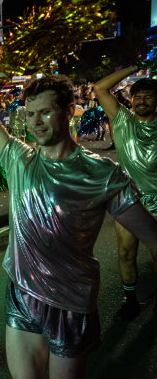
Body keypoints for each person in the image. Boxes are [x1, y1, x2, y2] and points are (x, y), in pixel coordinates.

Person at [0, 72, 157, 378]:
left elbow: (152, 236)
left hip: (71, 301)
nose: (36, 122)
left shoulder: (102, 174)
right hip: (23, 293)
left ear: (69, 111)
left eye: (45, 112)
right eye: (29, 114)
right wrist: (2, 75)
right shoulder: (18, 159)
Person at [94, 65, 157, 320]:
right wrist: (133, 67)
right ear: (131, 100)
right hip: (130, 200)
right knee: (125, 252)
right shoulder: (121, 119)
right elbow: (100, 87)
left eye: (149, 96)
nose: (142, 100)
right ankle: (130, 300)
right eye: (137, 96)